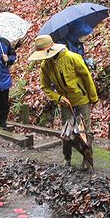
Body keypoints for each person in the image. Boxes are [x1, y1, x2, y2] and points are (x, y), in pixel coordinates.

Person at [28, 34, 98, 168]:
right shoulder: (45, 65)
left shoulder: (72, 58)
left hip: (81, 98)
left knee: (85, 131)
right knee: (66, 132)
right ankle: (67, 158)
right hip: (64, 102)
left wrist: (93, 98)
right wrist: (58, 98)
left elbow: (87, 78)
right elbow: (45, 87)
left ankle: (87, 158)